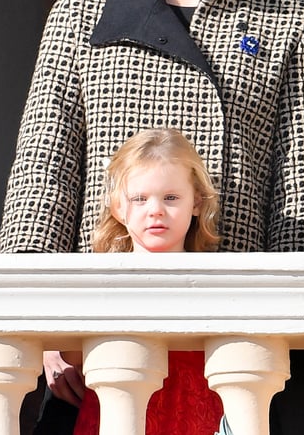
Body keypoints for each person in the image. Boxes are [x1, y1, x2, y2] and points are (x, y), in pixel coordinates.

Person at [0, 0, 304, 433]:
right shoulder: (79, 15)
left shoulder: (288, 23)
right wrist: (40, 327)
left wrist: (282, 339)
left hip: (232, 352)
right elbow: (41, 182)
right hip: (98, 348)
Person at [47, 128, 228, 435]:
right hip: (117, 414)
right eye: (140, 199)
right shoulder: (104, 280)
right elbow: (72, 355)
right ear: (119, 208)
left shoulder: (212, 280)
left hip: (194, 417)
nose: (155, 209)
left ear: (196, 202)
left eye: (170, 197)